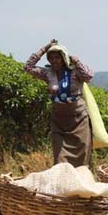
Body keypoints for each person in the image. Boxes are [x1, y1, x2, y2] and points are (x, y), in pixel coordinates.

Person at [24, 39, 93, 168]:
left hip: (78, 119)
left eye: (57, 57)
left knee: (82, 155)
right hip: (59, 120)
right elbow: (28, 67)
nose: (54, 61)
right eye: (51, 58)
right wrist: (44, 49)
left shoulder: (74, 71)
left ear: (63, 58)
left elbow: (89, 76)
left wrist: (77, 61)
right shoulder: (47, 73)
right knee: (60, 158)